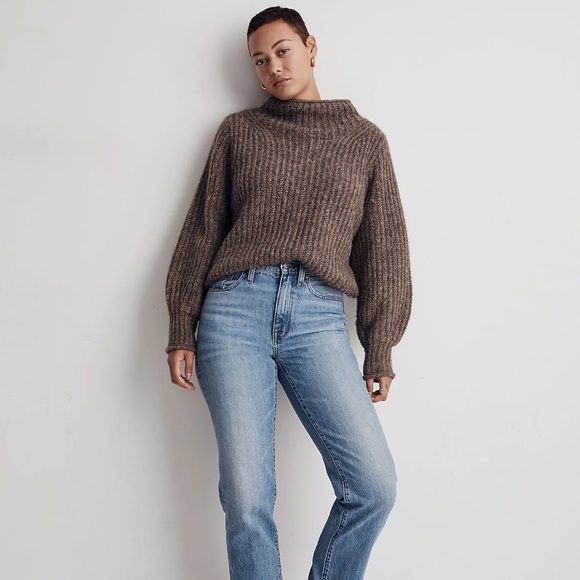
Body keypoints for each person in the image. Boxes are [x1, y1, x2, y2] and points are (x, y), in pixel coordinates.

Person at [165, 6, 412, 579]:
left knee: (373, 486)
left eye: (282, 51)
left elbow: (383, 249)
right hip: (234, 311)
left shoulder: (364, 141)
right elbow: (202, 230)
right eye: (259, 61)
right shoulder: (238, 133)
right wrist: (181, 325)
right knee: (247, 498)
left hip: (318, 317)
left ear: (311, 47)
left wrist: (380, 346)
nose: (273, 67)